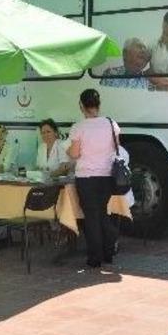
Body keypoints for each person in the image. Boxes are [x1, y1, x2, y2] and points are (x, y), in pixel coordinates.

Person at [67, 89, 119, 269]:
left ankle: (94, 257)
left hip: (86, 178)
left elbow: (74, 154)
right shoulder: (111, 124)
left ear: (81, 105)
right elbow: (116, 147)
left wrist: (69, 150)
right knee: (102, 213)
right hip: (106, 177)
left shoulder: (79, 127)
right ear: (99, 104)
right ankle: (109, 251)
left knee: (91, 217)